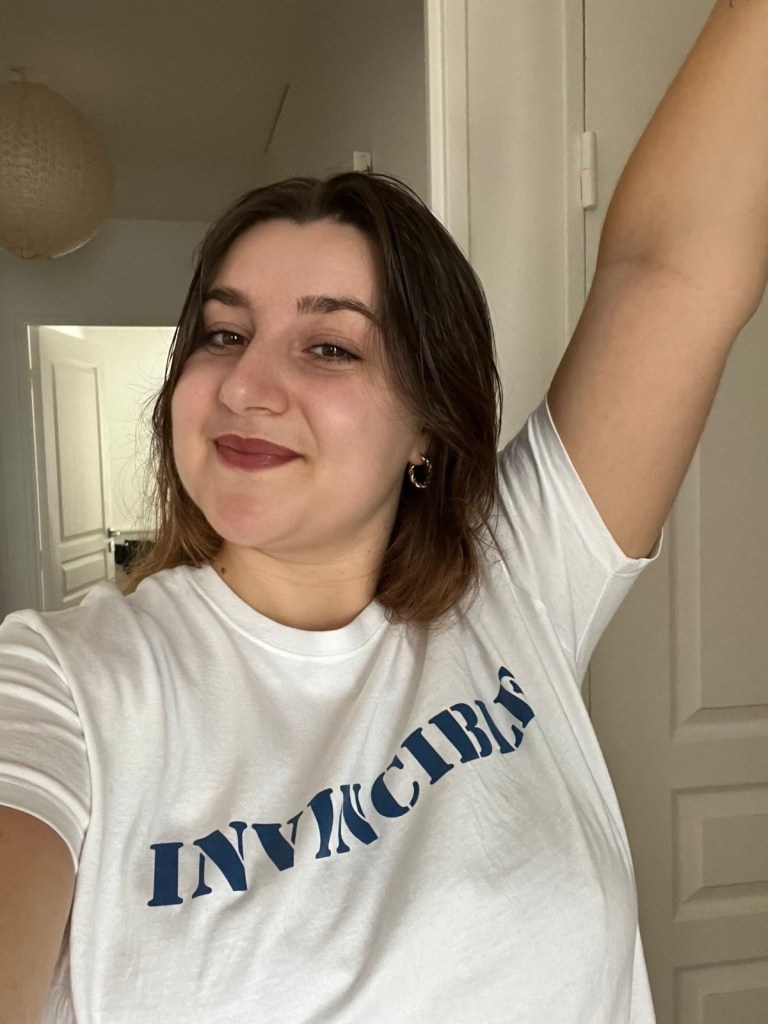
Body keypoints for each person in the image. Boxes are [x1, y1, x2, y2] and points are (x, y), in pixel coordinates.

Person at [3, 5, 768, 1019]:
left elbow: (670, 265)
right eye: (224, 335)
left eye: (330, 347)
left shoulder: (515, 578)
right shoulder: (63, 684)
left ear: (426, 428)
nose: (245, 387)